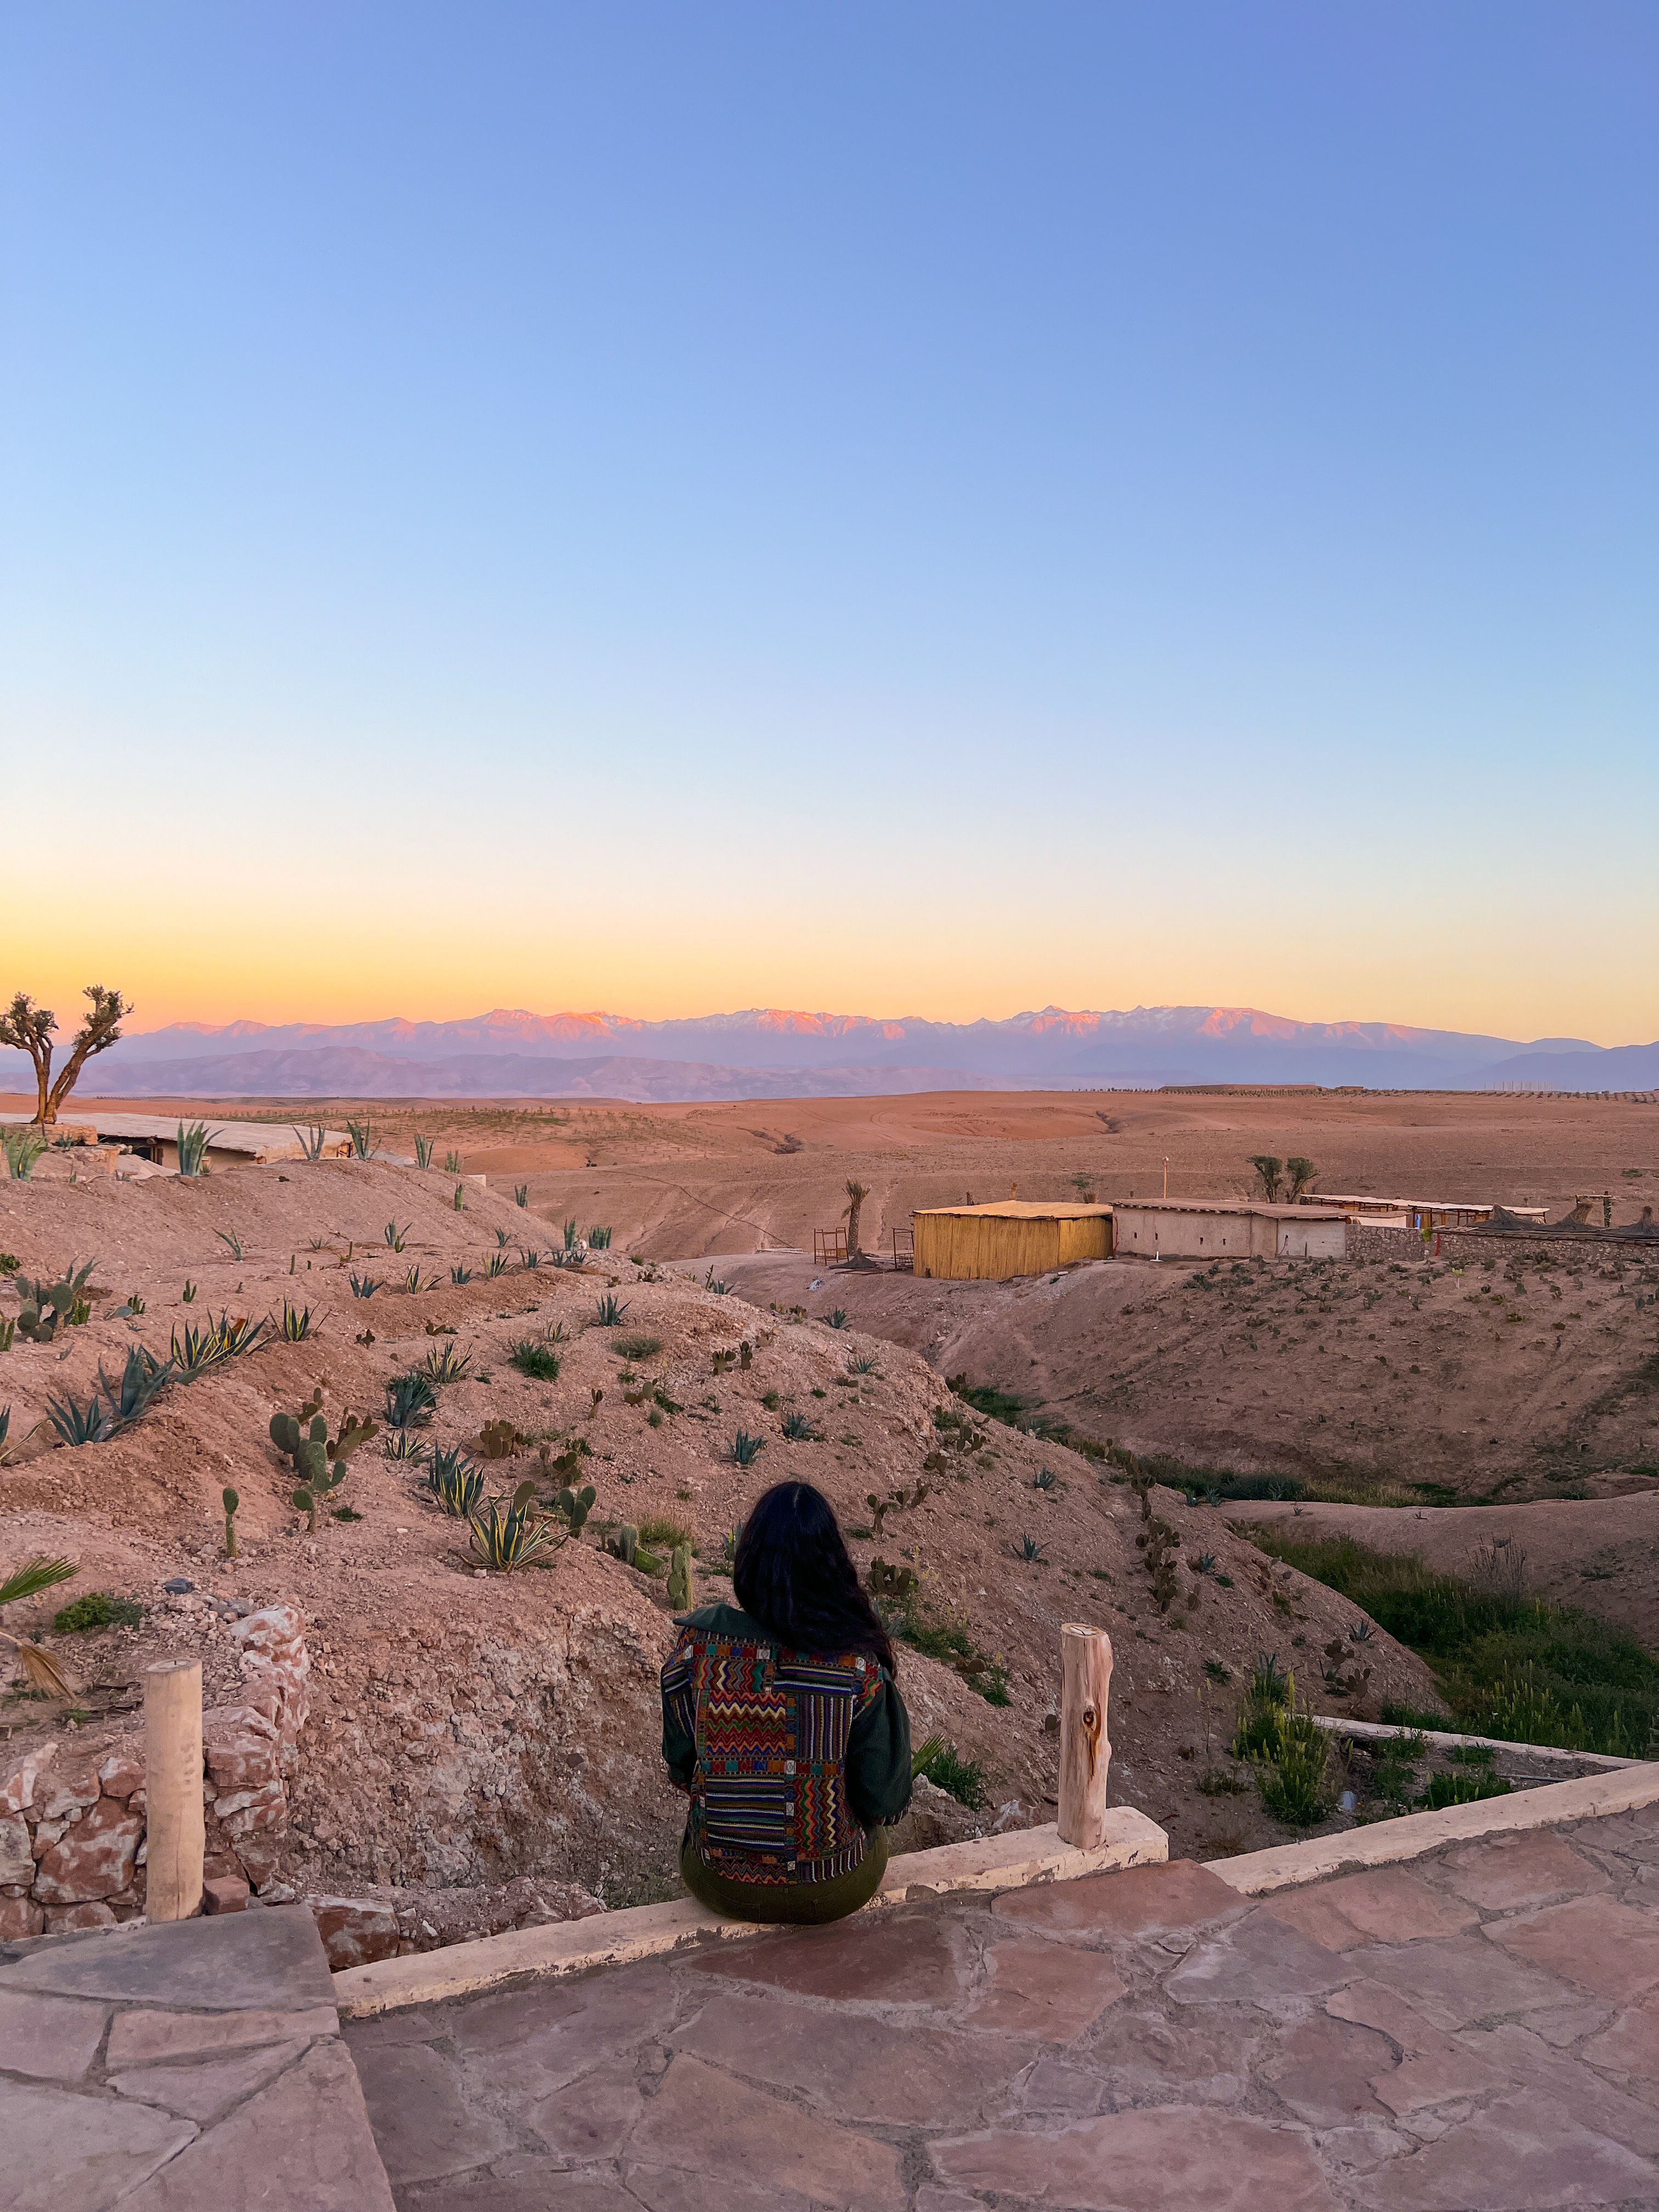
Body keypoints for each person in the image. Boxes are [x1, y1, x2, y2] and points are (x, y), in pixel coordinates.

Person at [660, 1479, 912, 1924]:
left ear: (750, 1562)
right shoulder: (858, 1669)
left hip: (720, 1884)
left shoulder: (697, 1649)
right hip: (834, 1888)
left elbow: (682, 1768)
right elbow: (883, 1802)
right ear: (832, 1566)